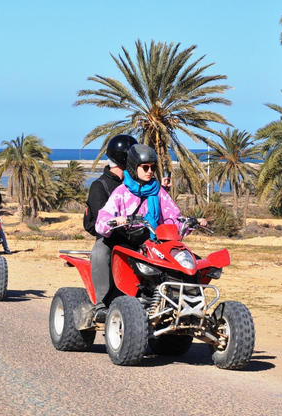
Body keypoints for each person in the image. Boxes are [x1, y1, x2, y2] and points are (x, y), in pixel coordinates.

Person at [93, 143, 207, 322]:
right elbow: (103, 218)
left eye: (152, 168)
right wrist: (115, 220)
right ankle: (101, 305)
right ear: (133, 167)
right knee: (101, 251)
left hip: (154, 242)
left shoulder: (159, 192)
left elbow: (173, 217)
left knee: (192, 263)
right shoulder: (121, 192)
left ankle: (185, 304)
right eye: (145, 167)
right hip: (128, 239)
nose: (150, 171)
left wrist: (190, 222)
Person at [85, 134, 138, 323]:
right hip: (110, 237)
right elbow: (100, 220)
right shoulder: (100, 186)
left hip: (137, 235)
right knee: (100, 251)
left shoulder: (136, 185)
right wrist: (118, 222)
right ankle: (101, 304)